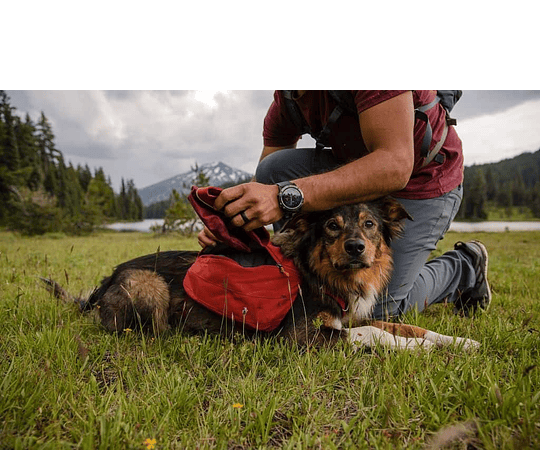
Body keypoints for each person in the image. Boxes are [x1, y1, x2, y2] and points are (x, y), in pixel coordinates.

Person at [198, 90, 491, 319]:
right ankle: (297, 276)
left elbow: (395, 165)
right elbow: (266, 183)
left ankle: (465, 266)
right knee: (274, 170)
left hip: (422, 178)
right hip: (360, 169)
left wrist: (285, 196)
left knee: (377, 309)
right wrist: (234, 226)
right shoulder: (287, 99)